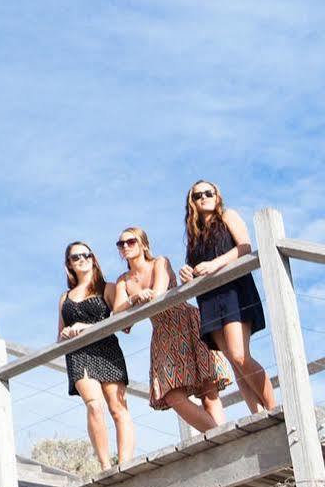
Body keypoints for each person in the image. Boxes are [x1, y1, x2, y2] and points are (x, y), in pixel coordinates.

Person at [112, 225, 229, 432]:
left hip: (186, 322)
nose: (125, 246)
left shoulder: (160, 262)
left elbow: (157, 294)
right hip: (162, 333)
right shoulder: (123, 280)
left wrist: (137, 301)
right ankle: (218, 435)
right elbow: (119, 316)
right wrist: (134, 298)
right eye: (121, 244)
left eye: (131, 242)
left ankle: (224, 438)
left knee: (208, 391)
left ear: (143, 244)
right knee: (172, 395)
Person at [179, 181, 278, 413]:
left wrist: (215, 264)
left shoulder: (228, 216)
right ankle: (257, 414)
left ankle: (274, 409)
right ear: (191, 202)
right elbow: (195, 268)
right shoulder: (194, 235)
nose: (203, 197)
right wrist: (187, 273)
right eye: (197, 195)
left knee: (239, 354)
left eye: (208, 193)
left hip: (234, 290)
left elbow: (244, 247)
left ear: (217, 195)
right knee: (234, 362)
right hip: (209, 298)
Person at [57, 241, 134, 470]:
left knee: (118, 407)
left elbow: (124, 323)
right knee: (94, 405)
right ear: (68, 264)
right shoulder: (65, 298)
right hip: (79, 353)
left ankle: (125, 464)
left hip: (106, 348)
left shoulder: (107, 288)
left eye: (86, 255)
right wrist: (67, 332)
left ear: (93, 258)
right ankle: (104, 466)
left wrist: (88, 326)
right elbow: (59, 337)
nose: (82, 259)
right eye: (75, 257)